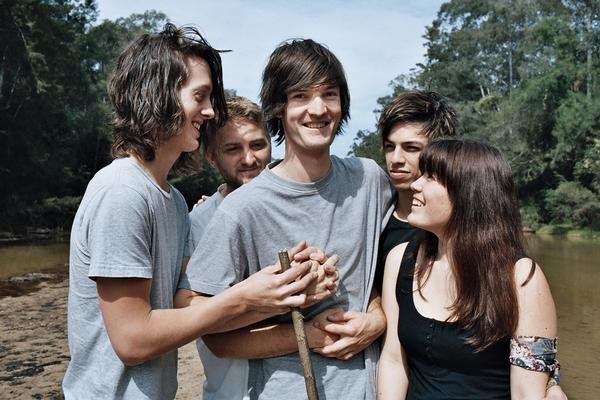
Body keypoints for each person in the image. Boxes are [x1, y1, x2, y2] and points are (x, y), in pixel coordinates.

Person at [62, 24, 325, 399]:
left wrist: (287, 288)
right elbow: (133, 340)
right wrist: (246, 296)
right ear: (158, 95)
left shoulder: (172, 201)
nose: (210, 111)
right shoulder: (123, 192)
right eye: (199, 96)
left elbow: (184, 306)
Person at [178, 39, 395, 400]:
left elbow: (399, 269)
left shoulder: (369, 180)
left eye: (329, 94)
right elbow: (213, 336)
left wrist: (377, 317)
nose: (318, 108)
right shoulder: (241, 209)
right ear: (278, 108)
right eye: (300, 96)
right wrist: (300, 323)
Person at [378, 138, 561, 399]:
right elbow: (394, 360)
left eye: (430, 177)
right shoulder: (399, 260)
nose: (416, 185)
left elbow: (527, 393)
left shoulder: (522, 279)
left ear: (468, 193)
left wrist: (552, 384)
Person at [188, 96, 271, 400]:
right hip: (227, 392)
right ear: (212, 157)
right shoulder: (196, 224)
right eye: (233, 149)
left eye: (257, 145)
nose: (249, 159)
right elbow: (195, 316)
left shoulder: (295, 204)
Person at [374, 90, 458, 292]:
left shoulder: (455, 229)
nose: (395, 159)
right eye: (389, 147)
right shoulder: (372, 220)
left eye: (411, 148)